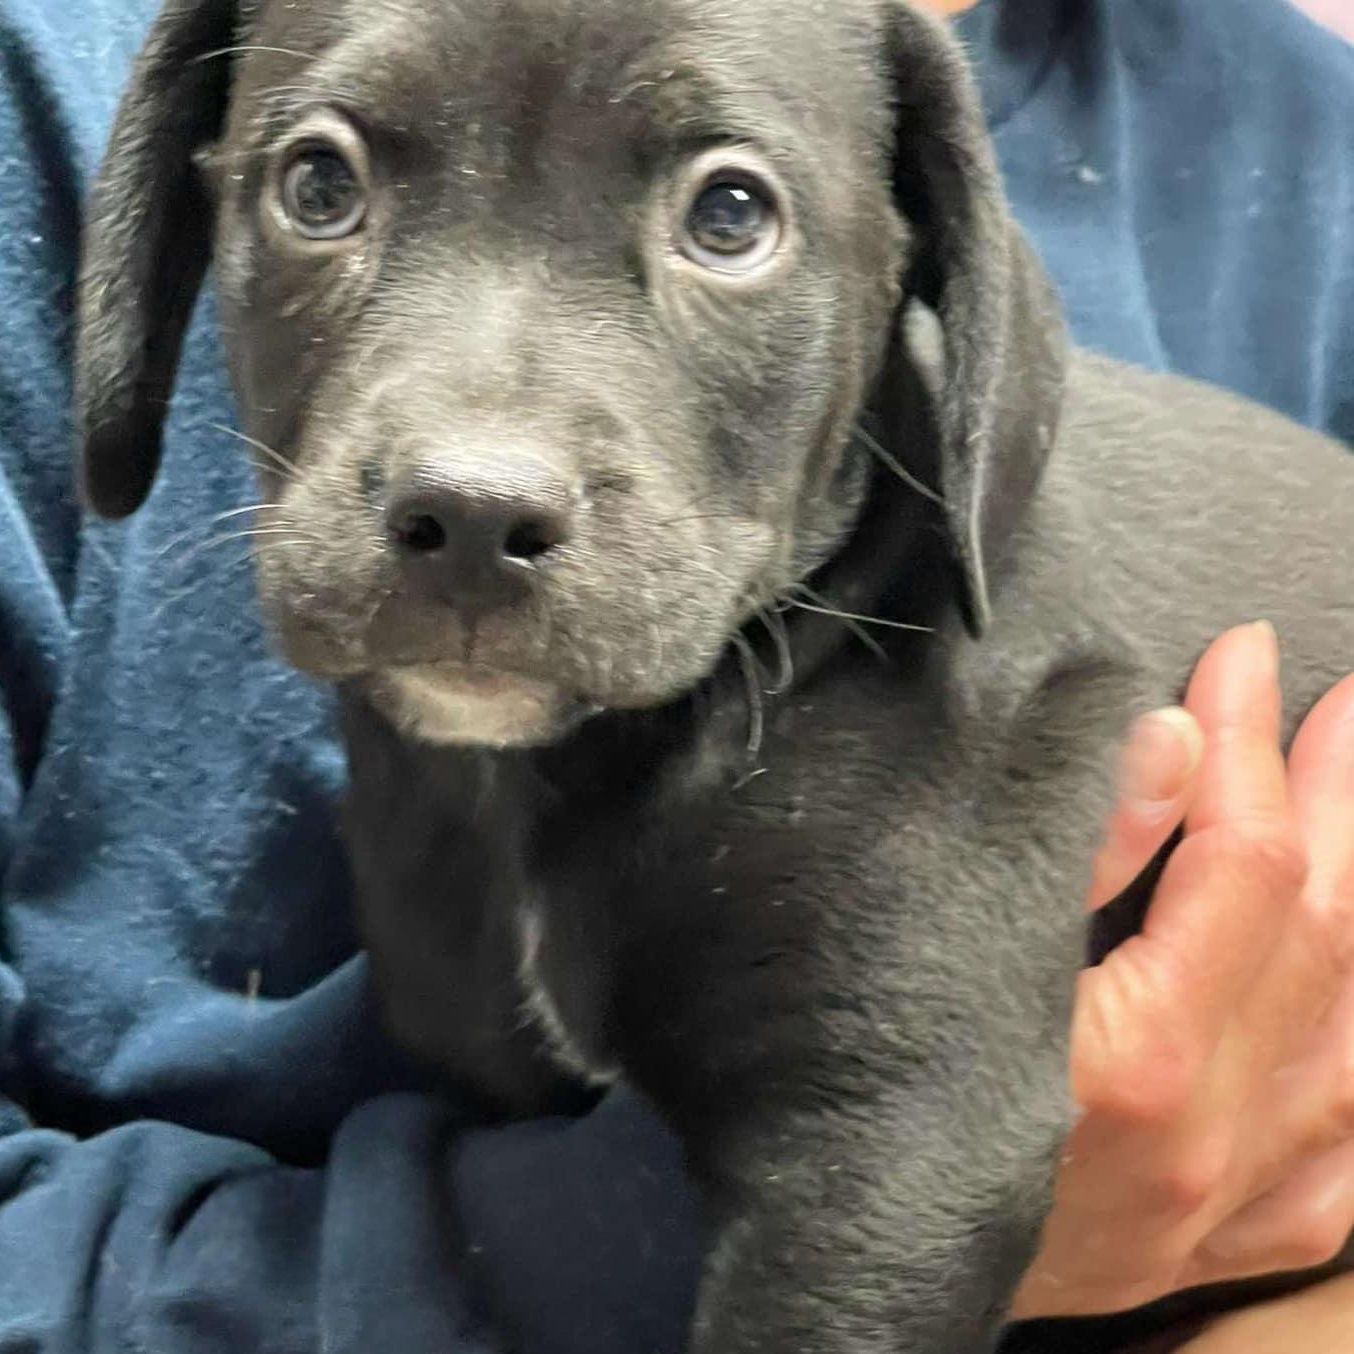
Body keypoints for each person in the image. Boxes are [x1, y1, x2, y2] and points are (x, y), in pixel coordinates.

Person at [0, 1, 1349, 1351]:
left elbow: (906, 1150)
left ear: (925, 281)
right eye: (322, 185)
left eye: (729, 215)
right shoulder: (54, 67)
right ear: (173, 220)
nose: (482, 461)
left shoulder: (1299, 139)